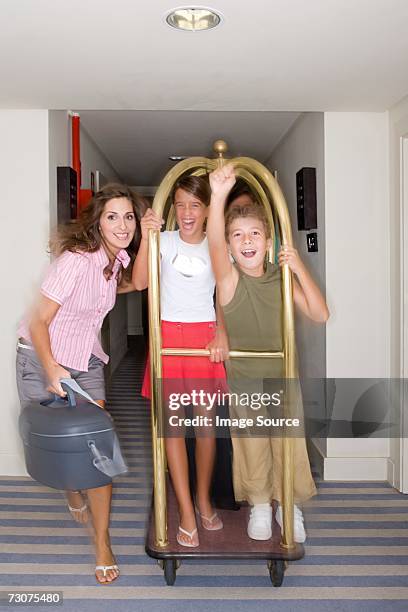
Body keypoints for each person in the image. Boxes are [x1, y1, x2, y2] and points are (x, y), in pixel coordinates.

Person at [16, 183, 161, 584]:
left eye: (129, 217)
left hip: (87, 362)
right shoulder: (77, 260)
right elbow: (39, 321)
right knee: (62, 447)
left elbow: (141, 282)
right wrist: (51, 368)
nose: (122, 224)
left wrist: (149, 237)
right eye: (112, 216)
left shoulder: (115, 262)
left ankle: (102, 542)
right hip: (40, 357)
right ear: (97, 222)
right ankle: (70, 490)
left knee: (99, 450)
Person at [207, 164, 330, 542]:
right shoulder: (228, 282)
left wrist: (298, 268)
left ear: (267, 240)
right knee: (254, 445)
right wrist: (218, 196)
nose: (247, 241)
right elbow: (211, 241)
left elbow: (320, 314)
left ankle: (288, 505)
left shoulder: (281, 279)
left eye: (255, 234)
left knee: (287, 444)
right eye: (238, 235)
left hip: (282, 376)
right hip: (244, 380)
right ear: (229, 245)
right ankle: (260, 505)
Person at [135, 175, 229, 548]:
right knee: (174, 429)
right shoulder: (164, 240)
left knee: (206, 428)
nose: (187, 212)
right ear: (173, 208)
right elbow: (141, 282)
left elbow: (224, 291)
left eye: (194, 204)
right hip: (169, 337)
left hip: (205, 338)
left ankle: (204, 500)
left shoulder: (216, 244)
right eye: (180, 204)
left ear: (206, 209)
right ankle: (187, 512)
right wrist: (146, 237)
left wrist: (222, 331)